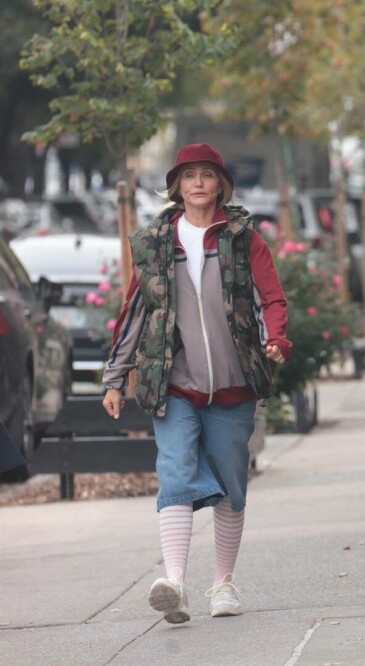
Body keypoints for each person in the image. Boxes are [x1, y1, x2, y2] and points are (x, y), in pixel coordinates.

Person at [101, 143, 292, 625]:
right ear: (177, 186)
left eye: (208, 174)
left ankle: (223, 584)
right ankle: (175, 584)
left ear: (221, 184)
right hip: (174, 384)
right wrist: (115, 378)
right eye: (190, 176)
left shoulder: (243, 238)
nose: (199, 183)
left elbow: (272, 298)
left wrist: (276, 339)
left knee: (231, 486)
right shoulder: (156, 244)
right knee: (176, 473)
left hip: (234, 385)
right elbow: (134, 313)